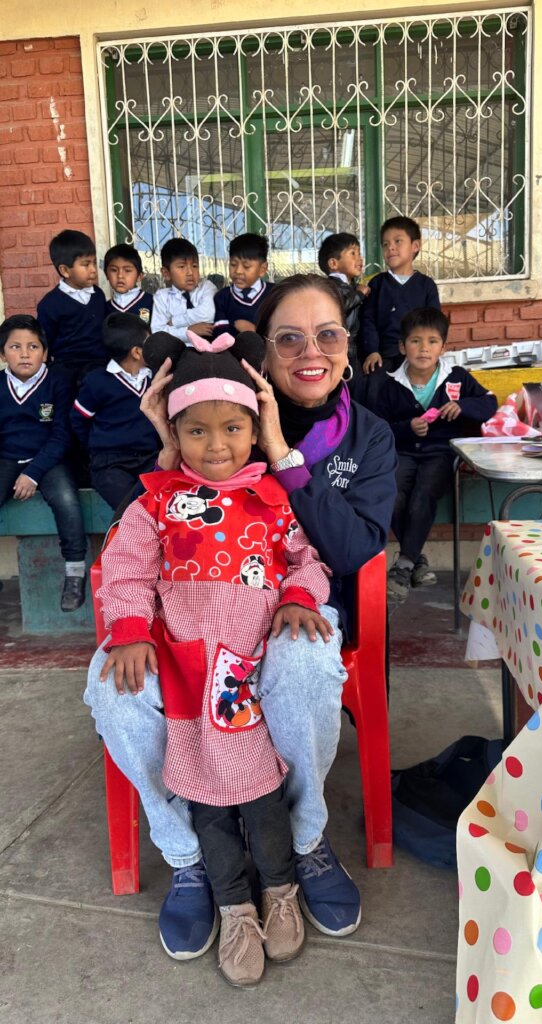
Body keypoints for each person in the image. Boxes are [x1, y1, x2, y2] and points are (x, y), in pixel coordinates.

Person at [84, 273, 397, 961]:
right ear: (265, 358)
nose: (308, 351)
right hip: (183, 629)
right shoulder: (212, 429)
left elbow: (335, 551)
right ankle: (191, 858)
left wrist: (282, 461)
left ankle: (305, 844)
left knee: (307, 668)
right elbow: (145, 538)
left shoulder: (365, 435)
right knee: (114, 687)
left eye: (327, 334)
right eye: (289, 337)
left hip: (293, 617)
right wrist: (165, 444)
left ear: (349, 342)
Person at [96, 328, 333, 985]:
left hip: (248, 674)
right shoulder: (158, 501)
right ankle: (233, 906)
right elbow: (123, 571)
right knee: (207, 802)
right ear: (174, 435)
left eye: (232, 427)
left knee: (261, 800)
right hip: (188, 676)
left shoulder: (272, 500)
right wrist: (132, 631)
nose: (217, 445)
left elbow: (308, 561)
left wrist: (298, 599)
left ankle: (281, 889)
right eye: (196, 432)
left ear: (255, 429)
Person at [374, 307, 497, 602]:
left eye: (432, 341)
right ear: (403, 346)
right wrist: (406, 428)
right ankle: (416, 560)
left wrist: (464, 407)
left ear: (443, 346)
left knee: (424, 493)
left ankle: (403, 565)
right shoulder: (390, 384)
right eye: (415, 341)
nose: (423, 349)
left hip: (442, 453)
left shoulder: (455, 377)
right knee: (391, 493)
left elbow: (489, 402)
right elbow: (380, 428)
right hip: (403, 452)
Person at [0, 314, 87, 611]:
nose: (24, 354)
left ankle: (75, 573)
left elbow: (62, 436)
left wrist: (33, 473)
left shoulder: (57, 383)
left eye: (33, 346)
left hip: (49, 459)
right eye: (15, 347)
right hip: (7, 458)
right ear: (2, 354)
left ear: (45, 353)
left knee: (65, 498)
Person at [70, 314, 159, 510]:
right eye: (149, 342)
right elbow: (78, 420)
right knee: (132, 510)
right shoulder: (97, 381)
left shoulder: (155, 378)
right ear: (136, 352)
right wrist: (95, 447)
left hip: (150, 458)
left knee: (162, 503)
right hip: (109, 464)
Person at [359, 216, 440, 409]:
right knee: (375, 395)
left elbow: (434, 323)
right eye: (385, 244)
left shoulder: (426, 285)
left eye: (398, 241)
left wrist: (428, 351)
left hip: (417, 354)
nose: (390, 248)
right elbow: (368, 320)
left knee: (421, 399)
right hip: (384, 356)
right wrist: (372, 351)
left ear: (415, 246)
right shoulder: (377, 284)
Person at [36, 229, 108, 389]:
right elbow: (44, 342)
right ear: (65, 270)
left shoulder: (98, 295)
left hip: (99, 365)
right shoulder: (50, 304)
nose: (94, 270)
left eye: (94, 262)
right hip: (66, 367)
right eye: (86, 264)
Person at [317, 232, 369, 380]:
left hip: (355, 348)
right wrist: (358, 295)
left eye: (359, 253)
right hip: (341, 348)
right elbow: (337, 307)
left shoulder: (352, 286)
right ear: (333, 263)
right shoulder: (329, 286)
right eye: (352, 254)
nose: (359, 259)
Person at [151, 239, 216, 341]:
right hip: (175, 352)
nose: (190, 272)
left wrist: (175, 322)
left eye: (194, 266)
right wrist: (188, 332)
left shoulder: (207, 287)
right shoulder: (162, 297)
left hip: (208, 351)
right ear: (166, 273)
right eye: (182, 266)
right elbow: (157, 332)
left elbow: (208, 313)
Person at [213, 233, 274, 339]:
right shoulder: (222, 297)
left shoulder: (274, 294)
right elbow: (219, 333)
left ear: (262, 269)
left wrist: (253, 331)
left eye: (246, 266)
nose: (238, 271)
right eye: (233, 264)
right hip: (231, 354)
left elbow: (282, 330)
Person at [104, 243, 154, 324]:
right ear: (106, 274)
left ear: (139, 276)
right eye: (114, 270)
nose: (120, 276)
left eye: (127, 270)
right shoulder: (104, 308)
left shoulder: (152, 302)